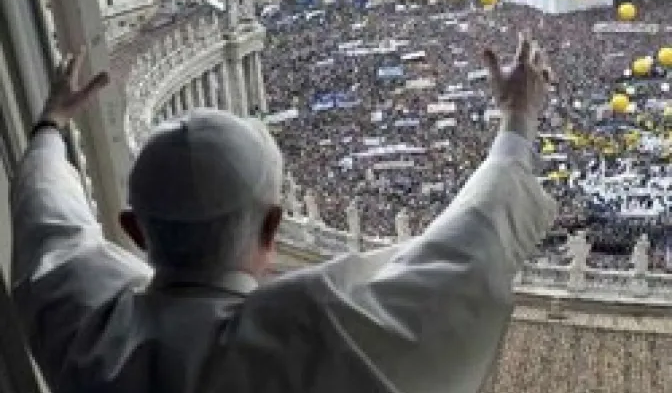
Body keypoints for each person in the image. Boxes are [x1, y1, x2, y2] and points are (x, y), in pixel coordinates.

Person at [11, 32, 557, 393]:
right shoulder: (316, 329)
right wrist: (517, 120)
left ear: (133, 231)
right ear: (275, 227)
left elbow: (49, 221)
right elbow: (469, 253)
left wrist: (49, 125)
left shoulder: (83, 328)